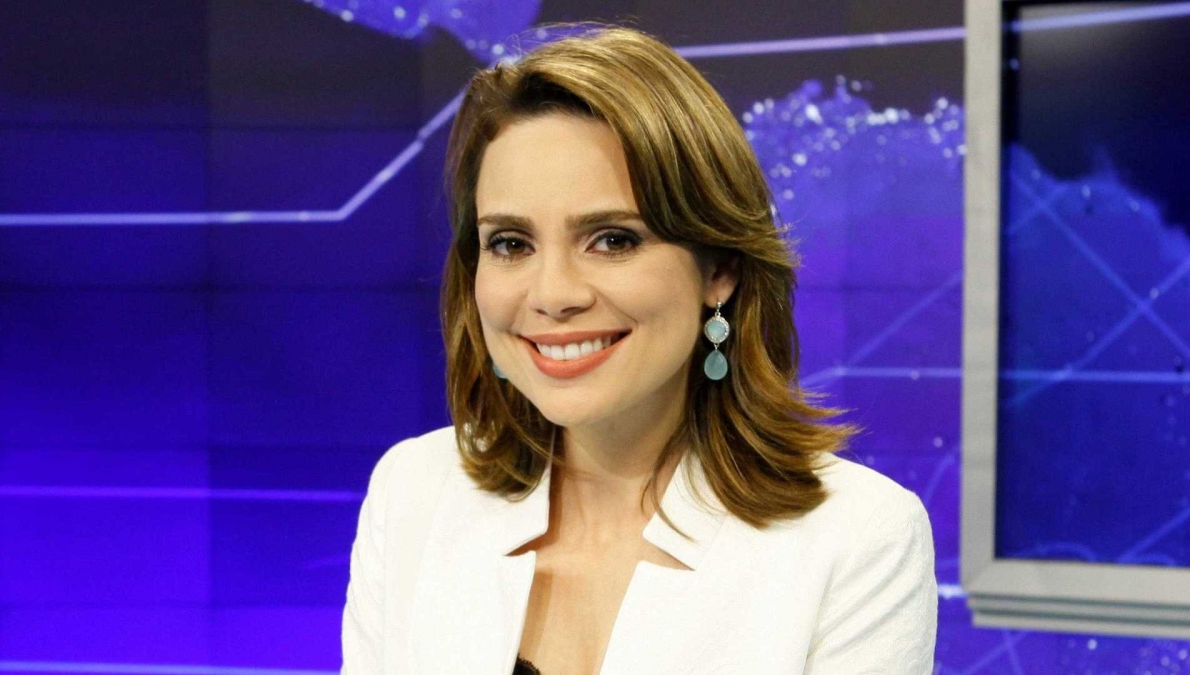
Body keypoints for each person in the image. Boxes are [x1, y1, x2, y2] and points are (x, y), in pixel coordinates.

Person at [341, 26, 936, 675]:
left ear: (719, 269)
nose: (553, 294)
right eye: (511, 243)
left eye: (613, 240)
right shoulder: (414, 491)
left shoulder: (856, 539)